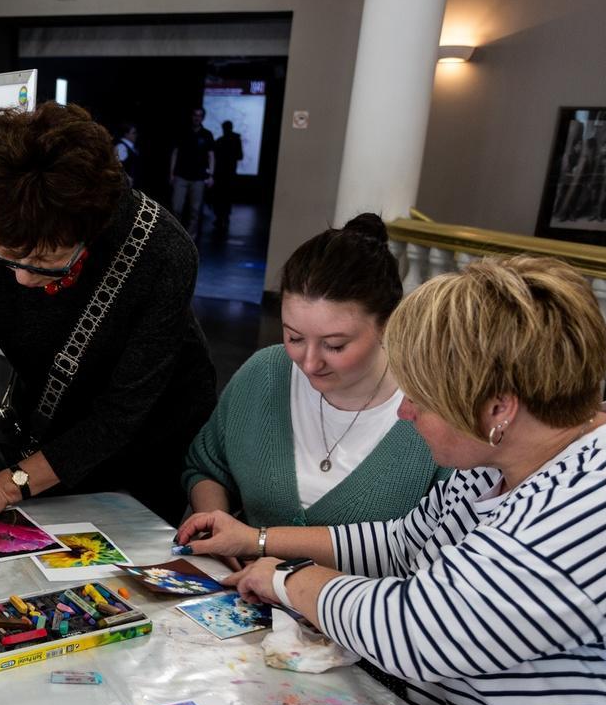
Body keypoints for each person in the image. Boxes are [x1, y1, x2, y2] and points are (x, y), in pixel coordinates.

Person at [177, 256, 606, 705]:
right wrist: (258, 541)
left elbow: (420, 630)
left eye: (421, 397)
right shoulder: (500, 459)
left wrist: (289, 581)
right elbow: (405, 541)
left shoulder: (601, 498)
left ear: (498, 409)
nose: (403, 410)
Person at [0, 102, 216, 552]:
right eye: (7, 253)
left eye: (46, 262)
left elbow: (119, 416)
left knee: (110, 574)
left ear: (92, 230)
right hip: (51, 423)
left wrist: (4, 486)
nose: (22, 276)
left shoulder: (161, 255)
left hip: (148, 440)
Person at [183, 213, 445, 532]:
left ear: (388, 325)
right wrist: (217, 521)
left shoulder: (433, 416)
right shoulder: (264, 373)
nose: (308, 363)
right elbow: (207, 465)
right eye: (294, 338)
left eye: (334, 346)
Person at [169, 106, 214, 239]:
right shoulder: (182, 132)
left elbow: (211, 155)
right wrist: (171, 173)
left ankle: (190, 237)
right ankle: (176, 234)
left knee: (195, 210)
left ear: (203, 118)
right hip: (181, 176)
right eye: (195, 115)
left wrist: (211, 175)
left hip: (198, 178)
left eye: (200, 115)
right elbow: (175, 153)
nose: (197, 117)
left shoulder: (207, 134)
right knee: (176, 208)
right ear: (192, 116)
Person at [210, 120, 243, 236]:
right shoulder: (235, 140)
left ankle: (221, 218)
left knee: (221, 196)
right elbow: (240, 156)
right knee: (225, 197)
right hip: (228, 174)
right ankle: (224, 217)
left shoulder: (220, 141)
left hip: (222, 174)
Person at [114, 122, 140, 187]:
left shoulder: (131, 147)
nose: (136, 135)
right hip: (124, 185)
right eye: (133, 133)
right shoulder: (121, 147)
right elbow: (117, 166)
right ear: (126, 134)